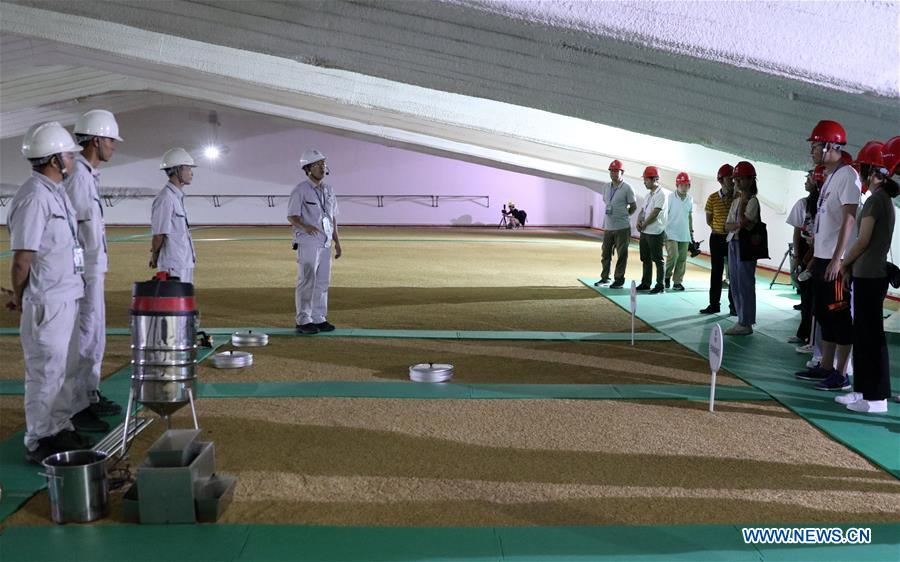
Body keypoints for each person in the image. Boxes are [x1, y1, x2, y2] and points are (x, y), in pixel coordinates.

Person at [7, 122, 90, 463]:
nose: (73, 159)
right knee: (45, 373)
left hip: (66, 294)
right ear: (56, 160)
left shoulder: (55, 193)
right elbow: (22, 259)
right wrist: (19, 295)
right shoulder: (34, 197)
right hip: (47, 300)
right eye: (69, 154)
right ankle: (39, 437)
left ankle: (59, 426)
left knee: (65, 370)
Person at [65, 110, 123, 432]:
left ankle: (90, 393)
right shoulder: (78, 177)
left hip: (92, 269)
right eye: (111, 140)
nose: (113, 146)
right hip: (83, 271)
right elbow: (69, 229)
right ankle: (78, 406)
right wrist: (77, 271)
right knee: (85, 335)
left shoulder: (87, 176)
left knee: (95, 334)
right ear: (97, 140)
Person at [794, 120, 860, 392]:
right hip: (823, 258)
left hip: (835, 260)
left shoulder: (847, 176)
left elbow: (849, 219)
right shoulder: (831, 177)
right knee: (823, 314)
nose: (812, 150)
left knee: (839, 315)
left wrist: (837, 258)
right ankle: (826, 366)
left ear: (830, 146)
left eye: (815, 145)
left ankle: (841, 374)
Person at [837, 147, 896, 413]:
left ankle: (875, 397)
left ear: (871, 172)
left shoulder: (875, 201)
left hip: (870, 276)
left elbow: (862, 241)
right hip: (870, 275)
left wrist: (843, 263)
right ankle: (863, 391)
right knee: (865, 336)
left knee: (869, 337)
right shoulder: (882, 200)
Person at [288, 149, 342, 334]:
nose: (322, 167)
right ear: (308, 169)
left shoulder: (329, 190)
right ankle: (303, 320)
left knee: (322, 282)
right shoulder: (300, 190)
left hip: (325, 242)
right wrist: (306, 227)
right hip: (308, 242)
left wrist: (337, 241)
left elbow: (333, 218)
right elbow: (292, 216)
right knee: (307, 280)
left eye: (323, 164)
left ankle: (319, 317)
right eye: (317, 164)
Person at [785, 166, 822, 345]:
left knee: (815, 299)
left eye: (809, 178)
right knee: (806, 297)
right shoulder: (803, 204)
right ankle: (804, 333)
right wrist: (797, 256)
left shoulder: (824, 205)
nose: (806, 181)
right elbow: (797, 232)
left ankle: (813, 337)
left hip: (820, 254)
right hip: (808, 253)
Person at [723, 161, 761, 336]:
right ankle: (741, 319)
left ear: (750, 180)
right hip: (733, 243)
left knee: (745, 283)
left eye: (740, 179)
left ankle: (746, 322)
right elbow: (727, 226)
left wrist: (736, 223)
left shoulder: (752, 202)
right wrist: (736, 225)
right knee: (735, 283)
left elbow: (742, 223)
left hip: (745, 246)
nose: (736, 182)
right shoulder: (736, 201)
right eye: (735, 179)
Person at [150, 148, 197, 283]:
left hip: (183, 262)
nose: (191, 172)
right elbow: (159, 234)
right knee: (173, 297)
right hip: (173, 265)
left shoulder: (176, 197)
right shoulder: (165, 198)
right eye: (188, 168)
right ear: (177, 170)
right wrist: (155, 256)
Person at [592, 159, 636, 289]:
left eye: (616, 171)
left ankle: (619, 280)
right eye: (611, 171)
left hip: (622, 227)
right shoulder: (606, 187)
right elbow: (607, 202)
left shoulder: (627, 188)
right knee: (605, 254)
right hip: (608, 227)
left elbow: (633, 206)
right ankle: (605, 278)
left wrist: (624, 215)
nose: (613, 173)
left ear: (622, 172)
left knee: (622, 255)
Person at [700, 164, 736, 315]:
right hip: (716, 238)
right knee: (716, 272)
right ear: (721, 180)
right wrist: (719, 228)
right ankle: (714, 304)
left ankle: (734, 306)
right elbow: (709, 219)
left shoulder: (738, 197)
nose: (733, 180)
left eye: (734, 178)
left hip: (732, 239)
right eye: (730, 178)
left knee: (733, 273)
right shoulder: (712, 198)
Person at [636, 166, 667, 294]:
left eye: (646, 179)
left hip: (655, 232)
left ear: (654, 179)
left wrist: (644, 224)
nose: (644, 182)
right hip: (645, 232)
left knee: (658, 260)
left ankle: (660, 285)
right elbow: (642, 211)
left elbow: (655, 212)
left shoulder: (661, 194)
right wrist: (638, 221)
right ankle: (646, 283)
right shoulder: (648, 195)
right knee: (645, 259)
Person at [665, 172, 693, 291]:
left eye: (686, 185)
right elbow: (665, 215)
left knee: (682, 259)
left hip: (684, 234)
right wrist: (663, 231)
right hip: (670, 232)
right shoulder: (670, 198)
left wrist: (691, 231)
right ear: (677, 185)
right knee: (673, 256)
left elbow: (689, 216)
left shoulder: (690, 199)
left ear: (689, 186)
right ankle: (666, 276)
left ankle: (677, 282)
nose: (684, 187)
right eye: (681, 185)